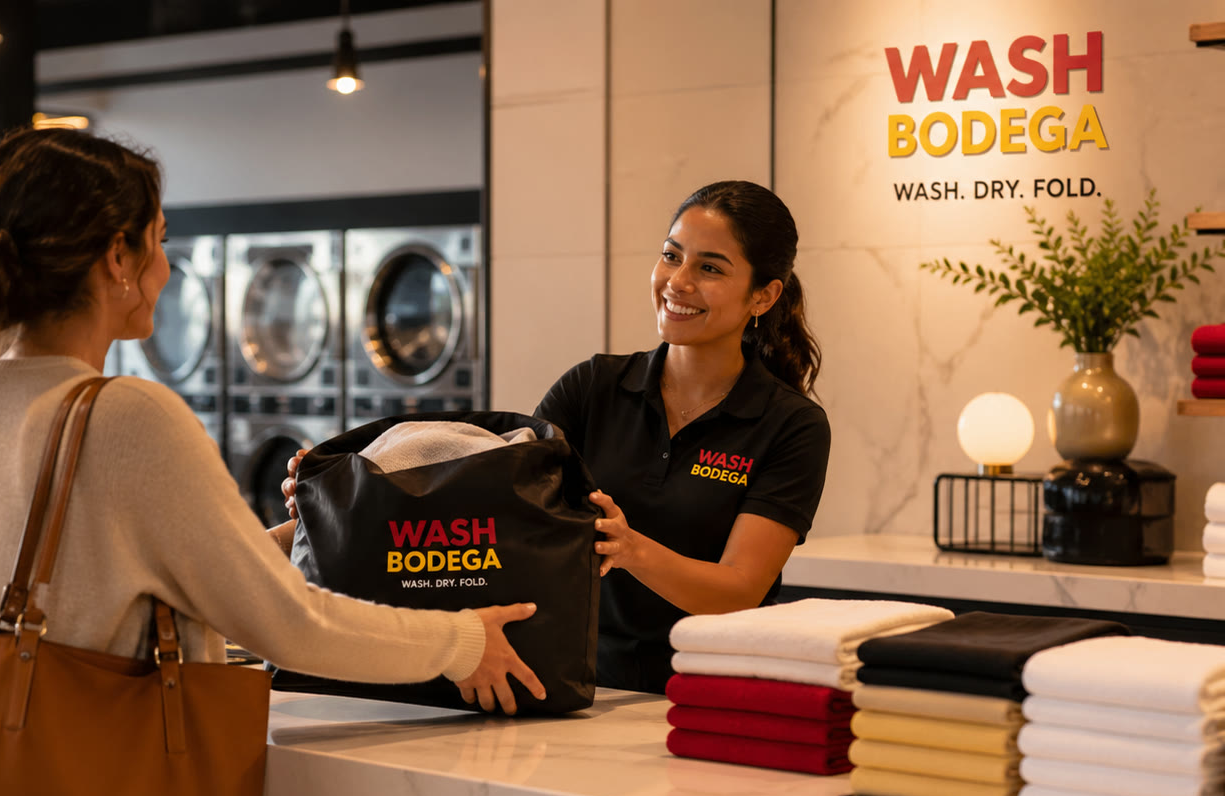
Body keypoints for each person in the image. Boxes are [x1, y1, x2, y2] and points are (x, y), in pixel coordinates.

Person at [0, 127, 543, 714]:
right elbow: (288, 624)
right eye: (158, 241)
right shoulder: (128, 416)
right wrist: (458, 641)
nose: (163, 268)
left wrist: (304, 533)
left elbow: (110, 577)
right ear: (117, 258)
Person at [284, 181, 830, 694]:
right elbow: (478, 497)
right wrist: (329, 503)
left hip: (701, 695)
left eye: (710, 267)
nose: (678, 282)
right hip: (568, 682)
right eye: (671, 255)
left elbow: (738, 591)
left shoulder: (790, 425)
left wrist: (631, 548)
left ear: (763, 296)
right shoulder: (594, 385)